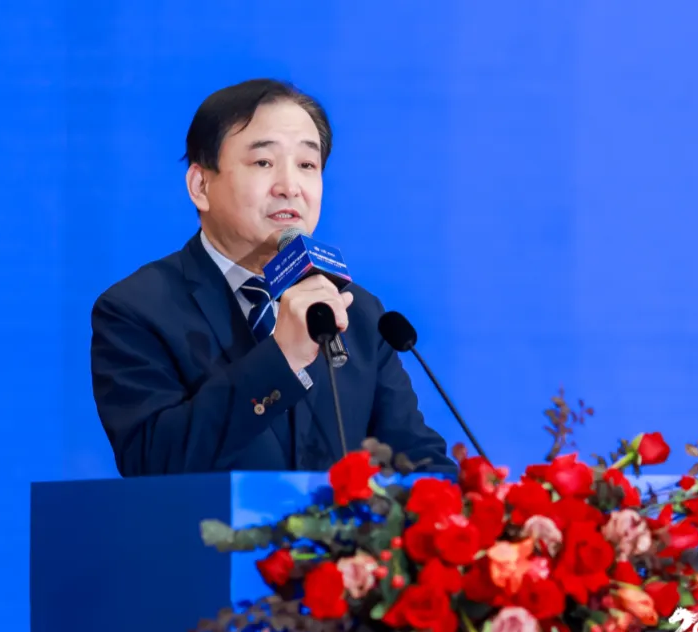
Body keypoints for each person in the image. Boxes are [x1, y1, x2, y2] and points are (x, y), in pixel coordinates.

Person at [90, 78, 455, 477]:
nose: (290, 187)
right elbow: (152, 462)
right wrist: (283, 358)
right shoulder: (137, 309)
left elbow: (420, 463)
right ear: (200, 185)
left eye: (307, 165)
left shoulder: (357, 312)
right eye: (263, 162)